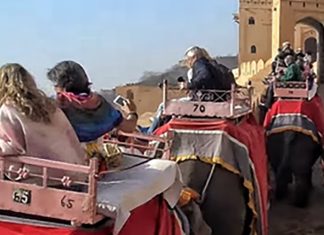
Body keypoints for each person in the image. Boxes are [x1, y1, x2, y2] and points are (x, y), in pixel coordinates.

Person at [0, 63, 85, 179]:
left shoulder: (9, 109)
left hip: (38, 177)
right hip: (72, 174)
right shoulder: (51, 106)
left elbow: (11, 147)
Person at [47, 61, 138, 143]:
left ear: (61, 86)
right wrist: (132, 113)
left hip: (65, 159)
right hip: (94, 157)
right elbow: (128, 127)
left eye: (55, 85)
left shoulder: (57, 108)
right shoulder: (99, 104)